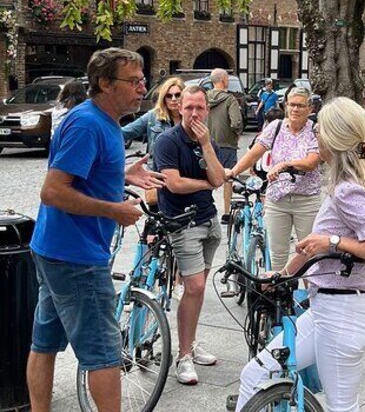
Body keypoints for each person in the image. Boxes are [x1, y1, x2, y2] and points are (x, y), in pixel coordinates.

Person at [236, 97, 365, 411]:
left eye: (320, 131)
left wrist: (333, 241)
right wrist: (281, 274)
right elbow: (314, 243)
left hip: (343, 312)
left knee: (341, 407)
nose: (315, 136)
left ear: (334, 137)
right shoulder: (340, 183)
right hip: (324, 306)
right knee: (256, 372)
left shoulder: (349, 189)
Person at [27, 48, 164, 412]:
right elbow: (53, 191)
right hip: (76, 257)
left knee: (44, 341)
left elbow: (83, 174)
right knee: (104, 353)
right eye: (133, 82)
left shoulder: (102, 121)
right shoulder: (88, 123)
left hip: (55, 249)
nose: (142, 89)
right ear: (104, 83)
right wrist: (114, 210)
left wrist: (120, 175)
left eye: (143, 81)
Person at [153, 85, 227, 385]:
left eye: (200, 108)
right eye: (189, 108)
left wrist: (207, 145)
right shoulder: (167, 141)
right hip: (183, 223)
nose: (194, 113)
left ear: (207, 110)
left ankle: (191, 345)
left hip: (209, 221)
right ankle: (183, 357)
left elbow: (220, 178)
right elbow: (173, 184)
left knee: (198, 289)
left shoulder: (206, 140)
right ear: (179, 108)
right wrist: (204, 184)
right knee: (194, 287)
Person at [227, 87, 321, 271]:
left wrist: (283, 165)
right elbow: (255, 153)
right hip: (277, 198)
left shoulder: (315, 131)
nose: (295, 109)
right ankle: (278, 296)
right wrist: (234, 171)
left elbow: (311, 163)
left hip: (306, 199)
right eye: (292, 105)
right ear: (286, 106)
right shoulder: (276, 126)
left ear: (310, 109)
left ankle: (312, 297)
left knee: (310, 253)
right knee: (277, 254)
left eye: (301, 106)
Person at [121, 76, 185, 171]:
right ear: (163, 98)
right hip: (157, 173)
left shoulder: (191, 116)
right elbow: (124, 132)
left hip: (184, 174)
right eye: (169, 95)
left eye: (177, 95)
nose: (173, 99)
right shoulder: (153, 116)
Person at [207, 68, 243, 215]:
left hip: (207, 144)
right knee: (228, 179)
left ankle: (206, 208)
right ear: (223, 80)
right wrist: (236, 133)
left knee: (207, 178)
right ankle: (226, 212)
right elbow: (236, 122)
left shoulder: (204, 98)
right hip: (227, 144)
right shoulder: (230, 99)